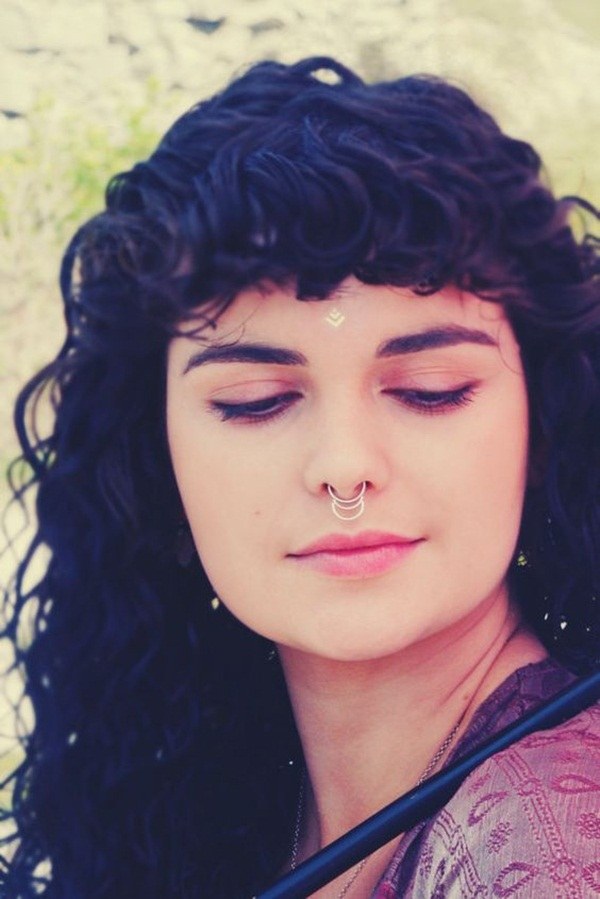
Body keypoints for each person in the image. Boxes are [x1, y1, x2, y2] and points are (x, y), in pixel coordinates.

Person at [1, 55, 599, 899]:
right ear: (157, 462)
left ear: (543, 426)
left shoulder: (553, 849)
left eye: (431, 390)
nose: (345, 467)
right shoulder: (222, 790)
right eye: (256, 401)